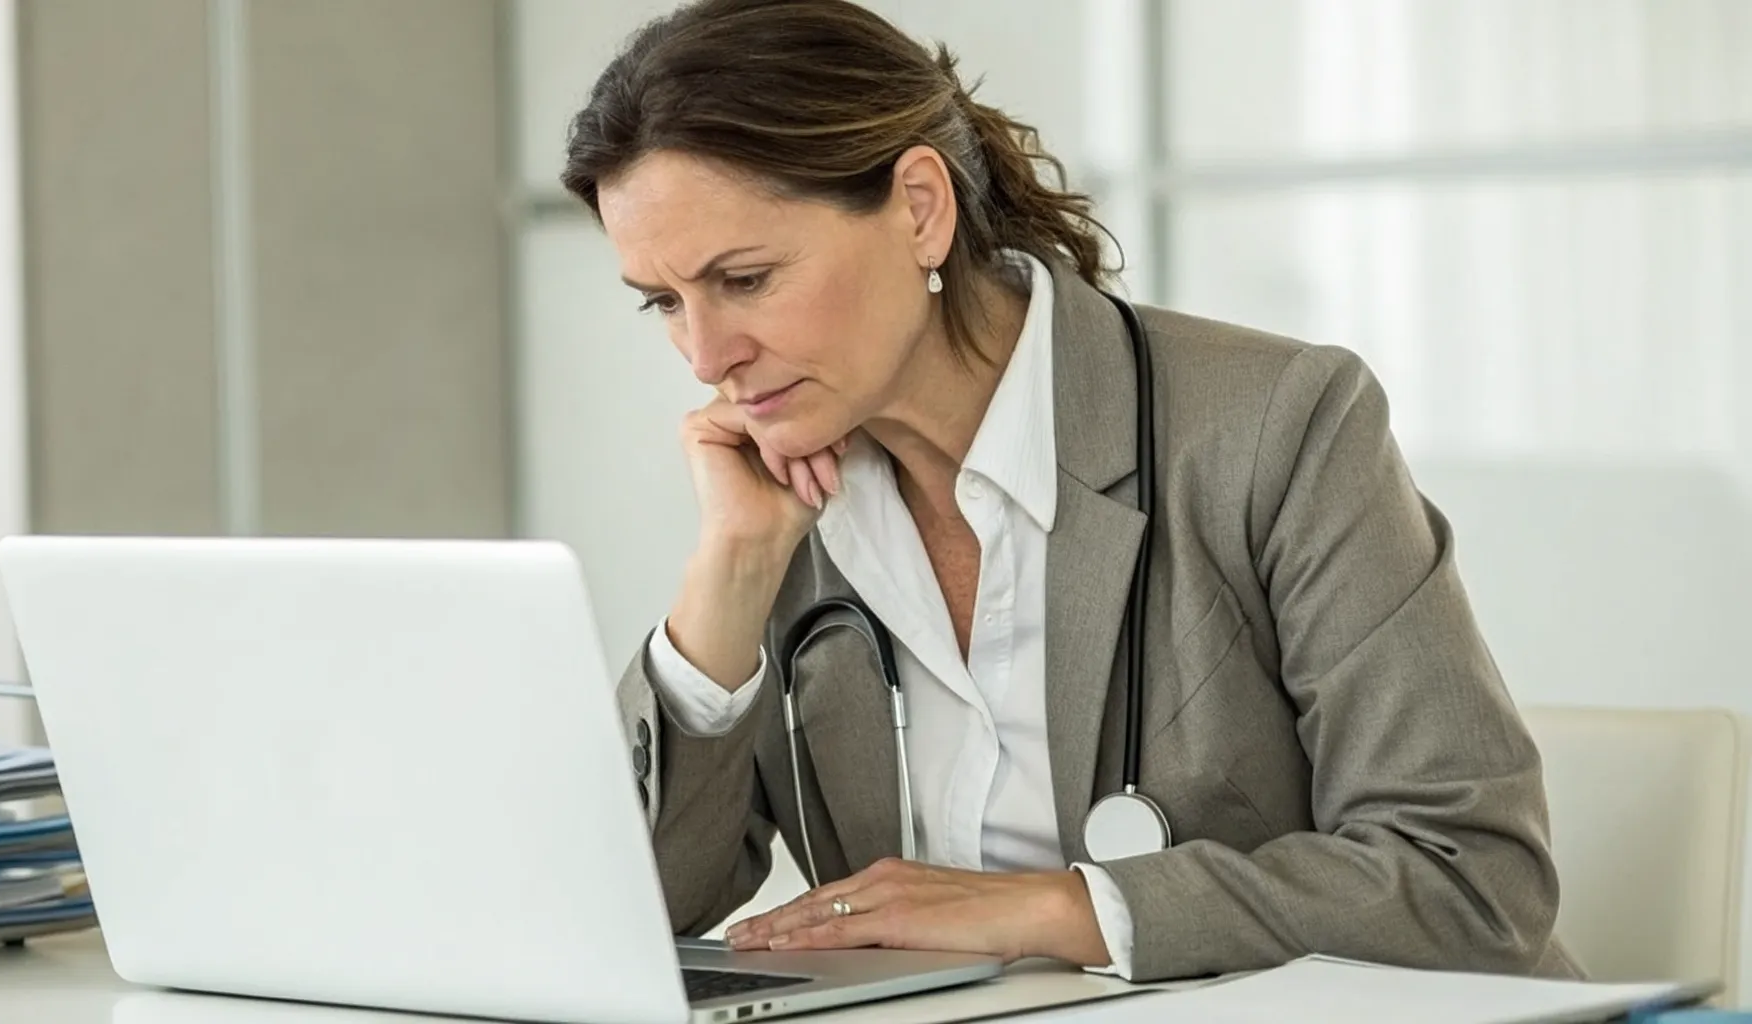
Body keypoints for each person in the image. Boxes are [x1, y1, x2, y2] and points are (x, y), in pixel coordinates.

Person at [560, 0, 1577, 983]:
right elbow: (620, 915)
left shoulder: (1275, 425)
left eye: (744, 279)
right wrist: (730, 572)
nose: (704, 356)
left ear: (918, 209)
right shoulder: (782, 491)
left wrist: (1058, 908)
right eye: (662, 301)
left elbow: (1468, 879)